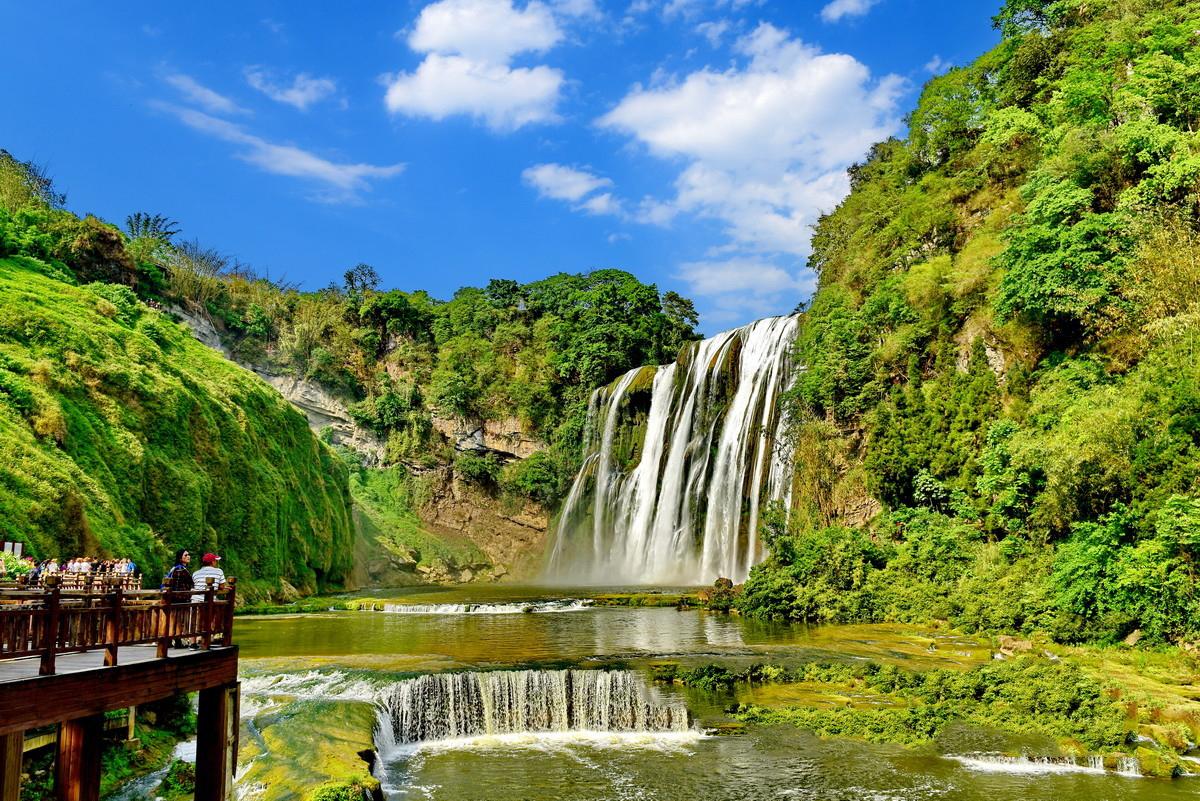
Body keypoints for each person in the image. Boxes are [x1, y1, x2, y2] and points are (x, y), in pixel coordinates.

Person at [164, 549, 194, 649]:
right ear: (180, 558)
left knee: (174, 619)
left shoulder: (175, 569)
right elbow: (180, 585)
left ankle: (170, 640)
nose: (188, 556)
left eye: (188, 555)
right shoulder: (180, 570)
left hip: (173, 599)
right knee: (178, 620)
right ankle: (177, 641)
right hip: (179, 599)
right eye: (186, 555)